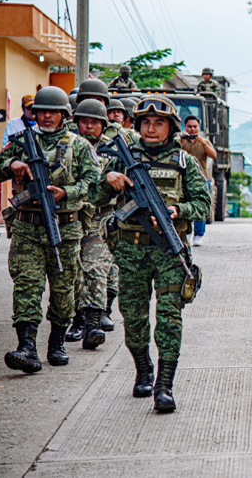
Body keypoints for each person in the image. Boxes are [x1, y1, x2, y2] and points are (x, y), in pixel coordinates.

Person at [90, 95, 211, 412]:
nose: (152, 129)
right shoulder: (122, 158)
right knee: (134, 317)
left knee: (169, 319)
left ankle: (165, 386)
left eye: (159, 123)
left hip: (170, 251)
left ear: (170, 128)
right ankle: (143, 370)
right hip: (131, 251)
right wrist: (108, 179)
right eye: (146, 123)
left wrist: (176, 210)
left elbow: (203, 205)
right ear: (139, 125)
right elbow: (92, 194)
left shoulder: (185, 162)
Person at [0, 87, 99, 373]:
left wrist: (67, 192)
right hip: (27, 227)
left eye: (53, 112)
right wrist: (13, 163)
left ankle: (57, 343)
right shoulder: (21, 141)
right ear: (34, 113)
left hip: (65, 228)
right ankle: (27, 347)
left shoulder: (79, 146)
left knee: (63, 289)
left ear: (64, 115)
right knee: (27, 286)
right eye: (41, 111)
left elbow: (94, 184)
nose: (47, 116)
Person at [72, 99, 118, 348]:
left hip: (99, 218)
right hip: (69, 217)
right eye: (84, 121)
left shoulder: (113, 150)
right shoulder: (66, 146)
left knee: (96, 269)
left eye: (94, 122)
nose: (89, 126)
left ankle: (92, 325)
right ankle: (75, 320)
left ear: (103, 125)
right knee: (71, 272)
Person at [180, 115, 217, 246]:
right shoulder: (180, 140)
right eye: (189, 127)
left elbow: (213, 155)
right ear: (185, 127)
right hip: (182, 179)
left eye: (195, 127)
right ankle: (187, 232)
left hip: (201, 179)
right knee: (184, 205)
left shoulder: (205, 141)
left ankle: (198, 235)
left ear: (199, 128)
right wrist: (182, 142)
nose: (192, 129)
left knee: (201, 206)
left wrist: (202, 142)